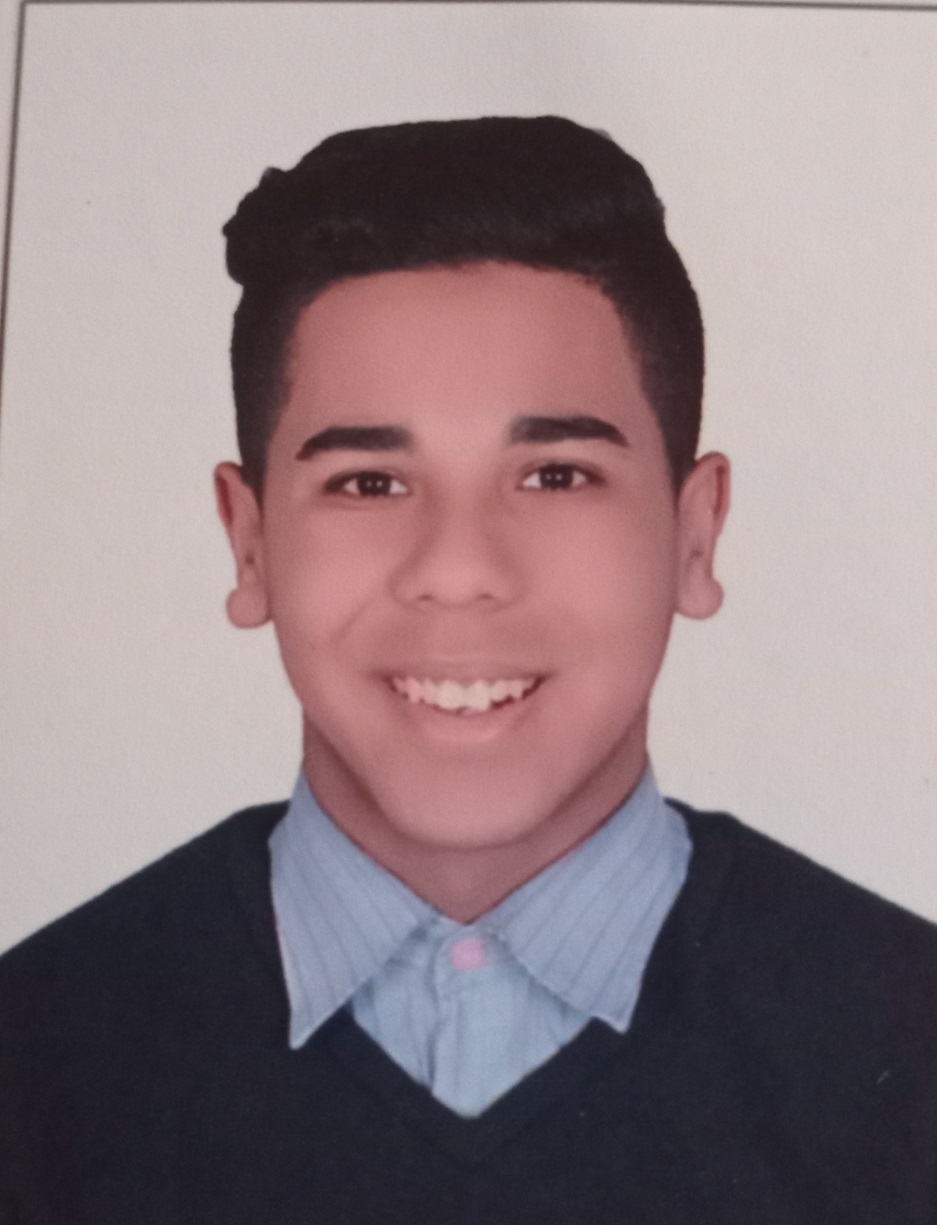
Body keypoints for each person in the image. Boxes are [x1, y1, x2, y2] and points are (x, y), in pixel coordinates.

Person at [1, 115, 935, 1224]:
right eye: (368, 483)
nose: (457, 572)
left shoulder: (906, 1041)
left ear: (694, 533)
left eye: (553, 475)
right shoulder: (36, 1058)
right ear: (249, 543)